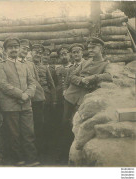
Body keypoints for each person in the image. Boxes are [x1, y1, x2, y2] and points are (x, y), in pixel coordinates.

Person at [59, 37, 113, 165]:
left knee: (77, 125)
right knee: (64, 124)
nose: (90, 50)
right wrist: (81, 80)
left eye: (93, 48)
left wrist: (92, 78)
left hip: (83, 100)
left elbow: (109, 76)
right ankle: (62, 154)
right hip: (70, 96)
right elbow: (72, 76)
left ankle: (76, 155)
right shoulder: (85, 62)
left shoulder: (106, 64)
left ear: (101, 49)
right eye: (89, 48)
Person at [0, 37, 39, 166]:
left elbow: (32, 83)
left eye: (16, 47)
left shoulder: (24, 66)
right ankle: (18, 159)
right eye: (10, 47)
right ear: (5, 50)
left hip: (26, 105)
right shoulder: (1, 66)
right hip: (10, 106)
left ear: (19, 48)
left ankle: (31, 159)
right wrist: (21, 95)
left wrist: (27, 95)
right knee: (14, 134)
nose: (14, 49)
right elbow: (3, 85)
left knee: (28, 132)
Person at [18, 39, 46, 157]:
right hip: (21, 98)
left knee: (38, 124)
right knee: (24, 126)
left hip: (36, 98)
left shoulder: (30, 64)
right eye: (23, 48)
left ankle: (38, 151)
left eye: (27, 49)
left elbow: (36, 81)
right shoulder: (13, 62)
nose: (25, 50)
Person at [31, 44, 56, 156]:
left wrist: (53, 100)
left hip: (45, 97)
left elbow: (52, 84)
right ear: (31, 53)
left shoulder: (44, 67)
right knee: (34, 123)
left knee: (45, 122)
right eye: (36, 52)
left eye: (40, 52)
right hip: (32, 98)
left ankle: (45, 149)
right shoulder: (26, 66)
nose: (38, 54)